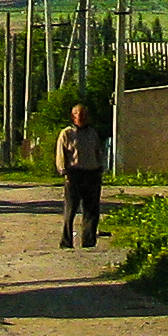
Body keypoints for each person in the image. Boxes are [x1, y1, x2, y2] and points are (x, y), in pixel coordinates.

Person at [58, 104, 106, 249]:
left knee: (91, 210)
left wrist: (100, 167)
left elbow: (98, 151)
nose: (83, 118)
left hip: (92, 174)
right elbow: (61, 154)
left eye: (85, 115)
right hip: (74, 174)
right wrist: (63, 171)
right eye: (80, 115)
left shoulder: (92, 133)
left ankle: (89, 241)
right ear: (73, 117)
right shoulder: (66, 133)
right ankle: (66, 242)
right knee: (70, 210)